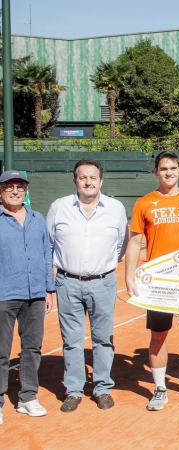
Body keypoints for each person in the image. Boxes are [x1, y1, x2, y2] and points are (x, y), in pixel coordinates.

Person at [125, 151, 179, 410]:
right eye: (164, 169)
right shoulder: (144, 203)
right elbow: (134, 242)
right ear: (156, 172)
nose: (169, 173)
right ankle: (160, 388)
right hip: (158, 282)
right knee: (159, 335)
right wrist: (129, 276)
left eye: (173, 168)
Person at [47, 159, 128, 412]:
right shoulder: (59, 207)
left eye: (93, 177)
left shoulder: (115, 208)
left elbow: (121, 245)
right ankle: (74, 390)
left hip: (103, 282)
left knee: (103, 338)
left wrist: (102, 266)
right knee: (71, 339)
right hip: (67, 282)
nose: (88, 182)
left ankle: (102, 388)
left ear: (101, 181)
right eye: (83, 177)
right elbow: (49, 244)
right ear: (75, 181)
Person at [0, 170, 55, 423]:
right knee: (1, 350)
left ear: (26, 191)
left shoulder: (36, 218)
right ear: (1, 191)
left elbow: (45, 254)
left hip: (35, 295)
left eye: (20, 187)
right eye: (9, 186)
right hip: (4, 294)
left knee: (32, 348)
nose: (15, 191)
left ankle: (28, 397)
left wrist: (48, 289)